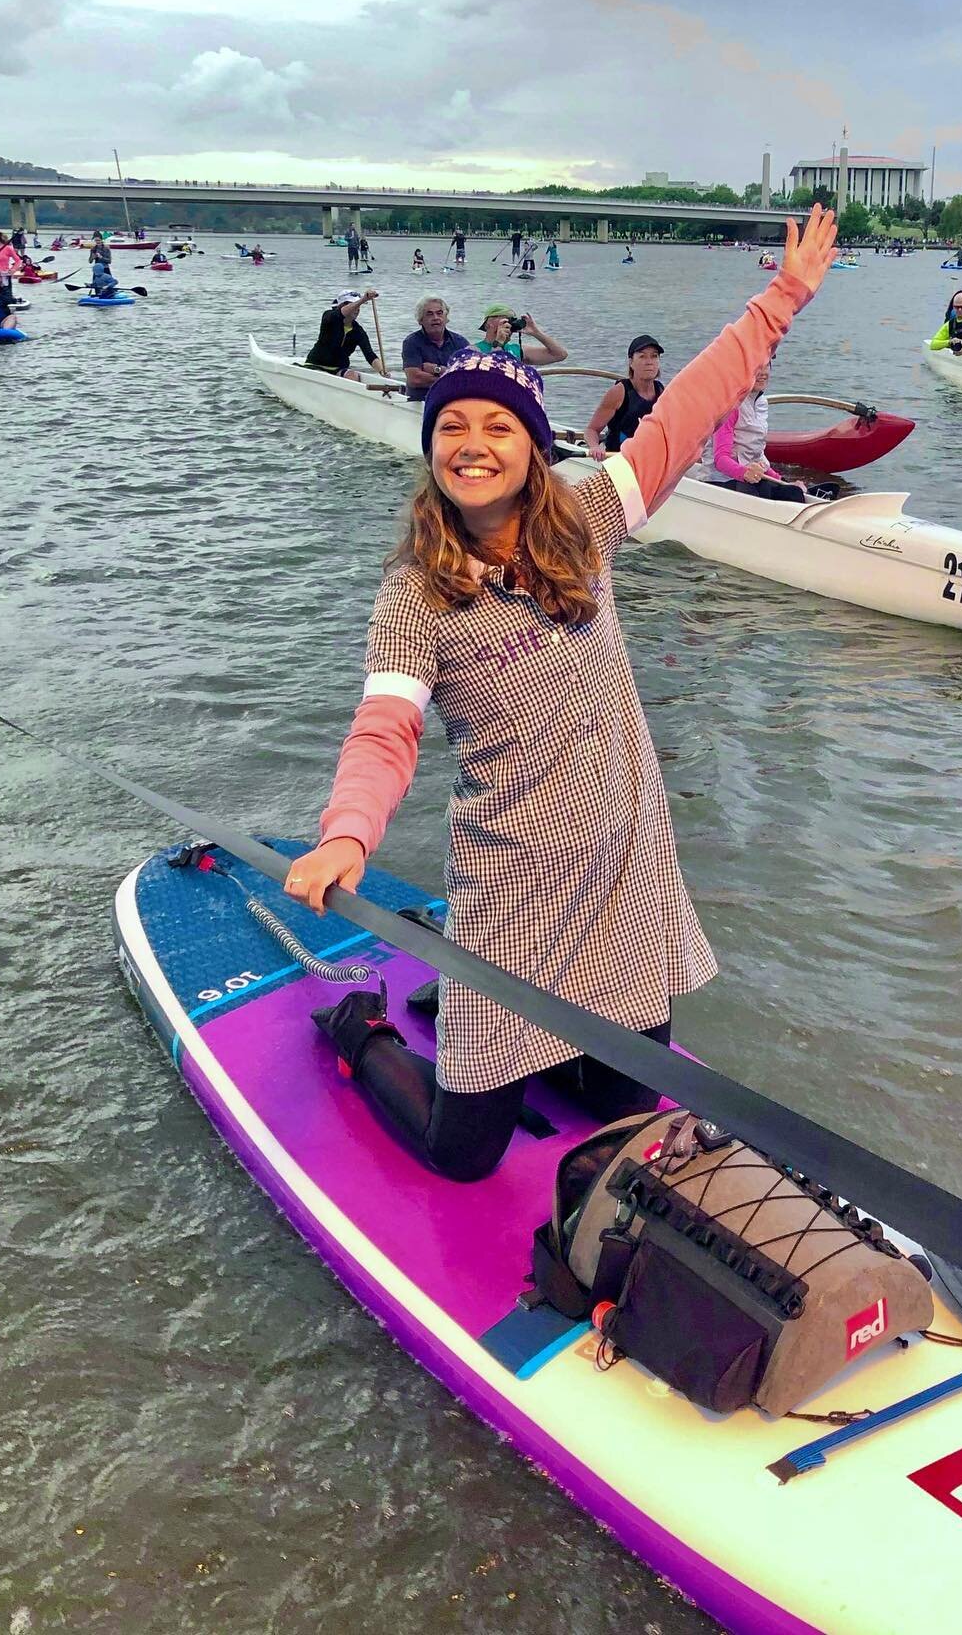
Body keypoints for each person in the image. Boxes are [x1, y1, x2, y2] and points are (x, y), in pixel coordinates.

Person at [282, 206, 839, 1183]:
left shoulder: (587, 517)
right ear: (431, 447)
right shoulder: (415, 591)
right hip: (519, 888)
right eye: (451, 426)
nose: (471, 443)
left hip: (627, 867)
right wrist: (346, 834)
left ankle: (470, 1012)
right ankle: (369, 1025)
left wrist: (781, 297)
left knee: (627, 1107)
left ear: (534, 445)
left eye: (497, 425)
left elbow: (690, 407)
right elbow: (385, 732)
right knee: (462, 1158)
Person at [687, 356, 807, 503]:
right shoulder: (729, 406)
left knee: (792, 492)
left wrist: (782, 481)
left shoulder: (761, 403)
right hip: (718, 481)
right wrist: (744, 473)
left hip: (748, 480)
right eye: (757, 367)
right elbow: (720, 459)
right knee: (761, 488)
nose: (763, 373)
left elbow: (756, 458)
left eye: (766, 366)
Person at [586, 335, 666, 458]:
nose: (649, 362)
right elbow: (592, 430)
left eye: (654, 356)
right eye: (642, 356)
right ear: (631, 363)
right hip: (618, 460)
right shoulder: (619, 392)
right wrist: (595, 447)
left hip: (648, 461)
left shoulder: (661, 391)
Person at [304, 288, 389, 381]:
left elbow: (370, 355)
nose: (357, 309)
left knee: (353, 376)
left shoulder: (358, 331)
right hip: (315, 365)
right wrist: (363, 299)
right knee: (323, 376)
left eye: (359, 307)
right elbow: (340, 313)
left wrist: (382, 371)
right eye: (354, 305)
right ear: (341, 305)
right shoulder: (329, 317)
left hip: (338, 368)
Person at [401, 296, 470, 402]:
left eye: (439, 313)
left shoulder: (460, 343)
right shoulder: (411, 342)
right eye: (429, 314)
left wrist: (437, 369)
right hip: (422, 402)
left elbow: (468, 377)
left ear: (446, 318)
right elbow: (415, 379)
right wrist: (453, 378)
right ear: (420, 320)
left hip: (453, 402)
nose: (435, 318)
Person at [476, 305, 567, 366]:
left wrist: (536, 332)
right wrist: (498, 342)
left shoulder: (518, 350)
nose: (508, 325)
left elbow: (560, 354)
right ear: (488, 324)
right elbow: (493, 368)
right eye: (504, 320)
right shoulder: (473, 350)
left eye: (510, 321)